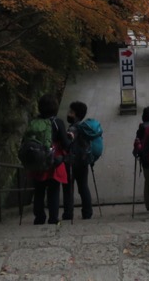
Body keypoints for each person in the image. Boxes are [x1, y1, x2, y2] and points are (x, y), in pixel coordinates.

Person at [30, 94, 69, 225]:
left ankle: (39, 217)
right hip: (53, 161)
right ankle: (53, 218)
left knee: (39, 191)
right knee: (53, 190)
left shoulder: (34, 123)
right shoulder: (57, 123)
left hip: (37, 160)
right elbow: (65, 143)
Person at [63, 100, 94, 220]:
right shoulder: (85, 127)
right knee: (83, 187)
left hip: (71, 162)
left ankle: (68, 214)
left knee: (68, 189)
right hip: (83, 161)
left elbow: (69, 139)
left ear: (76, 114)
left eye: (71, 112)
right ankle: (87, 212)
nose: (68, 114)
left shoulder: (74, 127)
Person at [132, 106, 149, 211]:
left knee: (148, 183)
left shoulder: (141, 128)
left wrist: (136, 153)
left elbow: (137, 144)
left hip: (146, 160)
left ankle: (148, 204)